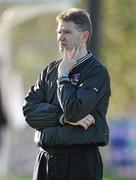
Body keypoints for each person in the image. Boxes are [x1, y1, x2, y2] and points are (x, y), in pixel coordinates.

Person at [23, 8, 111, 180]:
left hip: (80, 160)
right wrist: (62, 118)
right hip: (45, 159)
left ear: (84, 36)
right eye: (59, 32)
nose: (61, 37)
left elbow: (74, 111)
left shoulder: (96, 72)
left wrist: (63, 76)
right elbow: (29, 112)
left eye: (67, 32)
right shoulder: (49, 70)